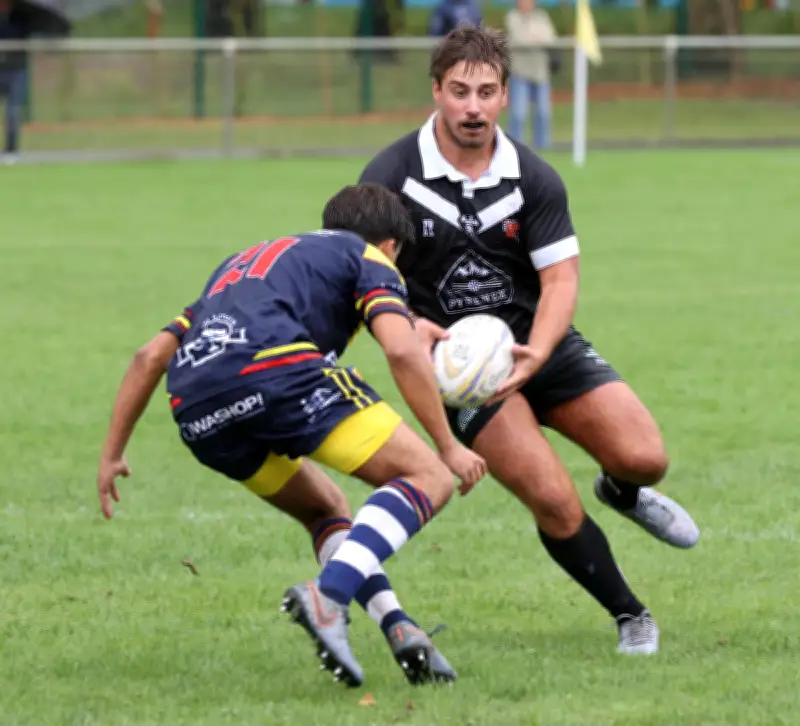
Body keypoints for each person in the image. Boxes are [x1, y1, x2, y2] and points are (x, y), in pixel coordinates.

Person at [358, 26, 700, 656]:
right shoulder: (392, 178)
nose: (473, 107)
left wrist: (539, 351)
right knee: (551, 497)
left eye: (486, 92)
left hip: (540, 341)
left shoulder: (531, 177)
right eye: (459, 91)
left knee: (646, 456)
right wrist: (409, 327)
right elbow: (366, 279)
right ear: (436, 91)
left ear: (506, 96)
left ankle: (621, 491)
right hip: (464, 370)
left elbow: (561, 276)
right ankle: (631, 615)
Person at [96, 183, 487, 688]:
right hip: (275, 376)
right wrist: (450, 446)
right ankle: (330, 595)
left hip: (198, 411)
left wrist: (111, 454)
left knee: (325, 510)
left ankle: (399, 628)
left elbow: (149, 356)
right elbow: (400, 352)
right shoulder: (373, 258)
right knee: (427, 476)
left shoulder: (243, 267)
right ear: (391, 245)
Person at [505, 0, 557, 149]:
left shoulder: (542, 16)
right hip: (520, 72)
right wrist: (536, 37)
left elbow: (550, 38)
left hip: (540, 72)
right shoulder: (513, 16)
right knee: (518, 113)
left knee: (543, 112)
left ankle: (543, 146)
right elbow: (520, 38)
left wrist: (535, 37)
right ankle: (515, 147)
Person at [0, 0, 30, 162]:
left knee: (13, 112)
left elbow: (19, 36)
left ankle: (11, 149)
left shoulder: (21, 19)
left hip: (16, 70)